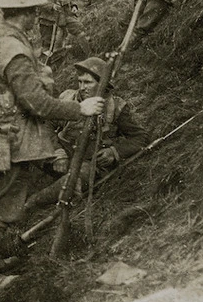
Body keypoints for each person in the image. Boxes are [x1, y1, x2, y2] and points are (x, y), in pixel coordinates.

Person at [0, 0, 105, 294]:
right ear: (25, 14)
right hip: (12, 140)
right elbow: (36, 103)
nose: (36, 17)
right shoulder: (14, 51)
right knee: (2, 209)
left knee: (1, 205)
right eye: (33, 11)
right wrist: (79, 108)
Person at [25, 56, 149, 209]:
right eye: (80, 82)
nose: (82, 87)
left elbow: (139, 137)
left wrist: (113, 152)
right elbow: (47, 124)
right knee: (27, 146)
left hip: (88, 164)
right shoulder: (68, 98)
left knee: (76, 178)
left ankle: (32, 203)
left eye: (88, 82)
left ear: (101, 84)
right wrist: (58, 153)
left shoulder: (115, 107)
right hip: (63, 158)